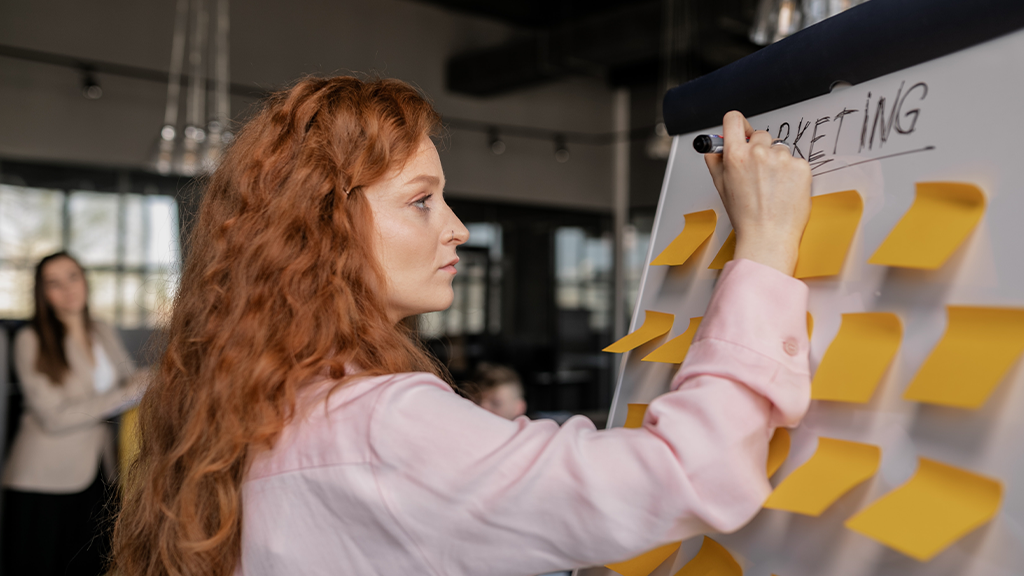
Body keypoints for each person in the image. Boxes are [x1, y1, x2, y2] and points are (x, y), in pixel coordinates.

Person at [112, 77, 811, 576]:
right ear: (323, 228)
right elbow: (690, 475)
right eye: (421, 202)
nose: (458, 229)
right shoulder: (377, 426)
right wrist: (767, 250)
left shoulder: (257, 408)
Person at [2, 251, 147, 576]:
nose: (68, 289)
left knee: (92, 566)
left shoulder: (102, 330)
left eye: (72, 277)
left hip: (100, 470)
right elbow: (54, 417)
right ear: (43, 294)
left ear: (84, 280)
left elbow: (132, 380)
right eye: (54, 283)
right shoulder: (30, 338)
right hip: (43, 480)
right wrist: (127, 393)